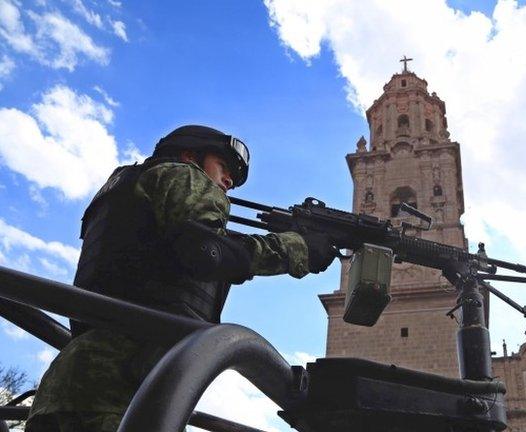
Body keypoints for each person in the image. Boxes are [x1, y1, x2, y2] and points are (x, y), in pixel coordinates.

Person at [25, 125, 335, 432]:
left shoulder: (126, 187)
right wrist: (298, 248)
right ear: (190, 156)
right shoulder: (182, 176)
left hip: (68, 388)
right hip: (121, 391)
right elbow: (209, 252)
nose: (228, 180)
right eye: (224, 167)